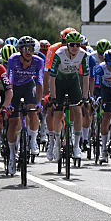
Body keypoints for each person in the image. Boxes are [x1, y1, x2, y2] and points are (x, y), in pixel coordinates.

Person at [46, 30, 88, 163]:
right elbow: (51, 78)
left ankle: (76, 146)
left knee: (77, 110)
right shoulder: (58, 54)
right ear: (67, 45)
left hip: (73, 82)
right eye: (72, 45)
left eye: (78, 44)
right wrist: (52, 97)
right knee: (58, 114)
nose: (75, 47)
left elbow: (85, 76)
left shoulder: (83, 54)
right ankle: (57, 144)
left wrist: (85, 96)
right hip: (59, 82)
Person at [5, 37, 43, 175]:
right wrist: (8, 103)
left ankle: (33, 140)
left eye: (31, 49)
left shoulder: (38, 61)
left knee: (32, 110)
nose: (29, 52)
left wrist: (39, 103)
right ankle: (11, 154)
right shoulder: (13, 60)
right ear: (20, 50)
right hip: (14, 87)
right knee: (14, 122)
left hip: (28, 86)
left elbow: (39, 83)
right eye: (26, 49)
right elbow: (9, 80)